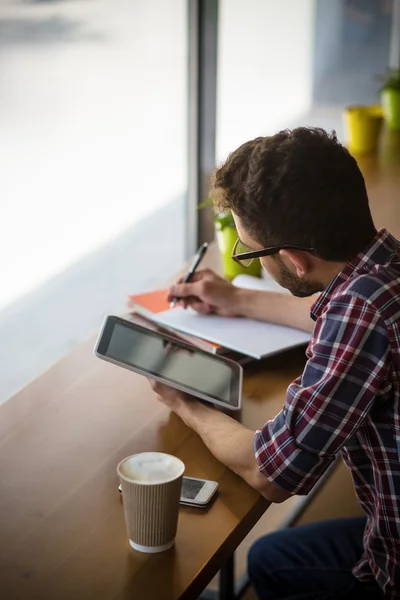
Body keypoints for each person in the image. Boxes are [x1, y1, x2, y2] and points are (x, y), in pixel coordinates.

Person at [149, 127, 400, 599]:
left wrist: (184, 401)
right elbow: (335, 317)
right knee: (270, 557)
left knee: (271, 559)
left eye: (251, 252)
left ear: (295, 261)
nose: (250, 262)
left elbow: (272, 472)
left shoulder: (360, 314)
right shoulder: (384, 270)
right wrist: (234, 299)